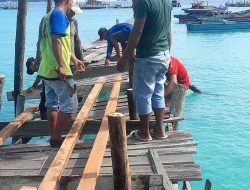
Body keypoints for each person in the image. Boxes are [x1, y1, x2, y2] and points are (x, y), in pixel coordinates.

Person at [117, 0, 172, 141]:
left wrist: (125, 57)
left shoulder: (143, 2)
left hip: (148, 56)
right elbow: (168, 30)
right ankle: (159, 131)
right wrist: (169, 53)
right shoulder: (166, 2)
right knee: (158, 93)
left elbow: (137, 30)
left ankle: (144, 132)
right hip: (163, 54)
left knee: (143, 95)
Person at [37, 0, 85, 147]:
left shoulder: (47, 16)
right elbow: (56, 41)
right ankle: (56, 137)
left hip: (46, 70)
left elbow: (61, 43)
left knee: (52, 105)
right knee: (70, 105)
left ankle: (53, 136)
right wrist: (62, 66)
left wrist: (75, 59)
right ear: (67, 1)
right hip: (58, 72)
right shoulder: (60, 14)